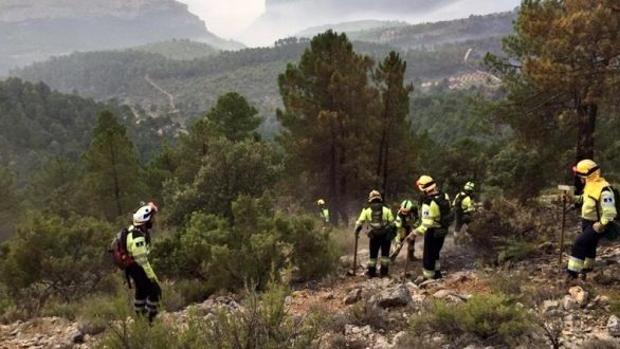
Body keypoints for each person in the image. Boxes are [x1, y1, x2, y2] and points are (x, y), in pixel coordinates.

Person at [567, 160, 617, 282]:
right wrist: (572, 198)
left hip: (596, 224)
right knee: (590, 245)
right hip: (586, 222)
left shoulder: (604, 189)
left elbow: (610, 212)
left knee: (579, 243)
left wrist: (601, 224)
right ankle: (587, 268)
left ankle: (571, 275)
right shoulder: (590, 186)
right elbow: (585, 199)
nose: (579, 178)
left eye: (580, 175)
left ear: (587, 175)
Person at [126, 202, 162, 322]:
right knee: (155, 291)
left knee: (141, 292)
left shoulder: (134, 230)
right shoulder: (138, 238)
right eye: (150, 220)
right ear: (144, 222)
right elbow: (143, 262)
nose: (152, 221)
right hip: (138, 269)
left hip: (132, 269)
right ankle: (150, 320)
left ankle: (140, 319)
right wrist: (152, 277)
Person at [411, 175, 452, 280]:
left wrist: (415, 232)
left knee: (428, 257)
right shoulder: (444, 196)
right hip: (442, 230)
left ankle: (428, 278)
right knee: (435, 253)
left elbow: (426, 224)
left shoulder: (428, 203)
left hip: (432, 232)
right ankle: (437, 273)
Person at [355, 190, 396, 278]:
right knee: (385, 255)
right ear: (380, 199)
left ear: (370, 199)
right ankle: (384, 273)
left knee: (373, 256)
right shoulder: (386, 209)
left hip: (374, 236)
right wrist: (392, 233)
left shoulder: (366, 210)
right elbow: (392, 223)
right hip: (385, 236)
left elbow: (360, 221)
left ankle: (371, 273)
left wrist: (357, 230)